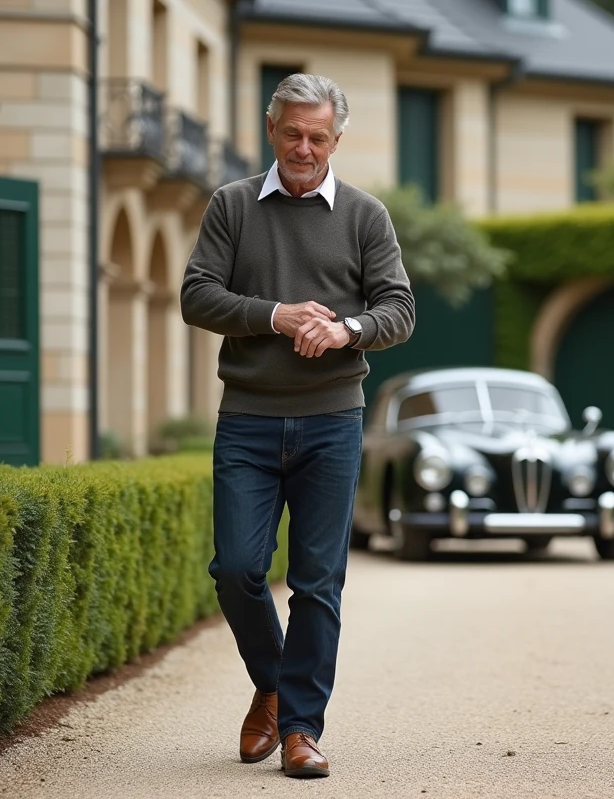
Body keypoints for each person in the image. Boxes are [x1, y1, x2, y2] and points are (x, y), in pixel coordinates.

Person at [179, 73, 415, 779]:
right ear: (271, 130)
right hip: (248, 420)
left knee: (317, 582)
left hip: (332, 421)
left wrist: (347, 330)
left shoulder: (367, 216)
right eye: (292, 134)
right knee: (238, 570)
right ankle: (275, 684)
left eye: (318, 137)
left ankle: (301, 730)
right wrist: (274, 315)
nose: (304, 148)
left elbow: (398, 310)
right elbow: (197, 294)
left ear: (336, 140)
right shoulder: (231, 206)